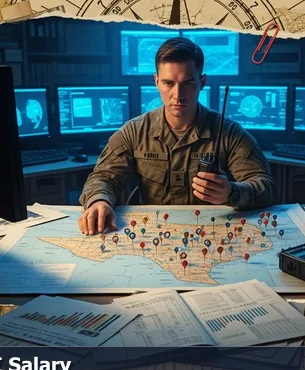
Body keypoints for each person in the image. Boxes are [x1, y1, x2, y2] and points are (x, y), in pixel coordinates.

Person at [78, 37, 276, 235]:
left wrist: (232, 192)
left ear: (202, 82)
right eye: (168, 83)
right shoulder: (134, 131)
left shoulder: (229, 133)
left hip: (212, 231)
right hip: (153, 232)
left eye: (188, 83)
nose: (178, 95)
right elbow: (102, 178)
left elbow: (265, 184)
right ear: (156, 82)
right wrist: (99, 201)